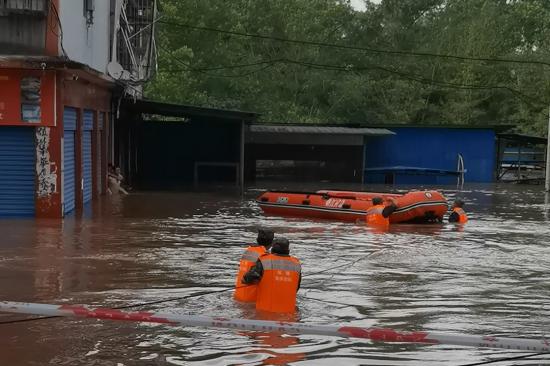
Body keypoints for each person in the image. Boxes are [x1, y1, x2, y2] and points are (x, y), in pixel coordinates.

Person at [243, 237, 301, 313]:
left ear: (272, 249)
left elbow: (247, 279)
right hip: (288, 313)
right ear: (288, 250)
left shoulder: (264, 260)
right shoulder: (296, 264)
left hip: (264, 313)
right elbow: (296, 287)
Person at [234, 228, 274, 302]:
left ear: (257, 239)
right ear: (271, 244)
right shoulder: (264, 256)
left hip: (238, 295)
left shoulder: (248, 251)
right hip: (252, 298)